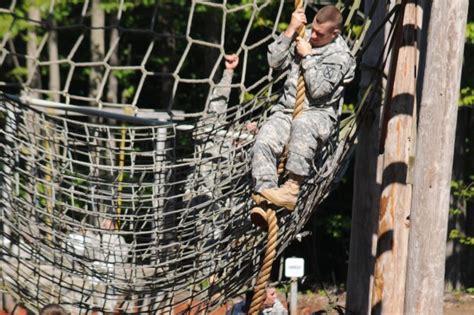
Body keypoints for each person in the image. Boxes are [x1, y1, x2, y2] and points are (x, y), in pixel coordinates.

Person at [252, 5, 356, 210]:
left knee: (302, 124)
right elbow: (274, 62)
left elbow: (318, 91)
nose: (314, 35)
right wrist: (291, 30)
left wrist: (307, 57)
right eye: (313, 29)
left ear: (334, 33)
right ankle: (265, 196)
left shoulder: (341, 56)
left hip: (318, 116)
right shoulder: (304, 35)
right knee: (264, 139)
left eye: (320, 33)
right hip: (286, 110)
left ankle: (291, 188)